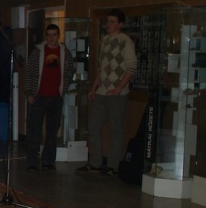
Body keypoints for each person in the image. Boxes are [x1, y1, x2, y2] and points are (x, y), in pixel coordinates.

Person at [77, 9, 137, 176]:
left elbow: (131, 68)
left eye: (112, 22)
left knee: (116, 130)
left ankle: (113, 166)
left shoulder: (126, 41)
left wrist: (118, 88)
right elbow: (101, 68)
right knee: (93, 127)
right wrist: (94, 88)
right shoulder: (104, 40)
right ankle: (95, 162)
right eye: (107, 21)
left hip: (117, 94)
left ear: (120, 24)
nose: (108, 25)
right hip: (102, 92)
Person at [24, 23, 75, 171]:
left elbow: (69, 71)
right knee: (35, 130)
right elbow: (29, 73)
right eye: (49, 35)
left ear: (58, 36)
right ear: (46, 36)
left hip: (56, 97)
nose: (51, 38)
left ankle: (48, 160)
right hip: (38, 96)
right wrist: (29, 92)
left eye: (54, 35)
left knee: (52, 131)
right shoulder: (37, 52)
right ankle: (32, 161)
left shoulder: (65, 53)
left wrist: (63, 88)